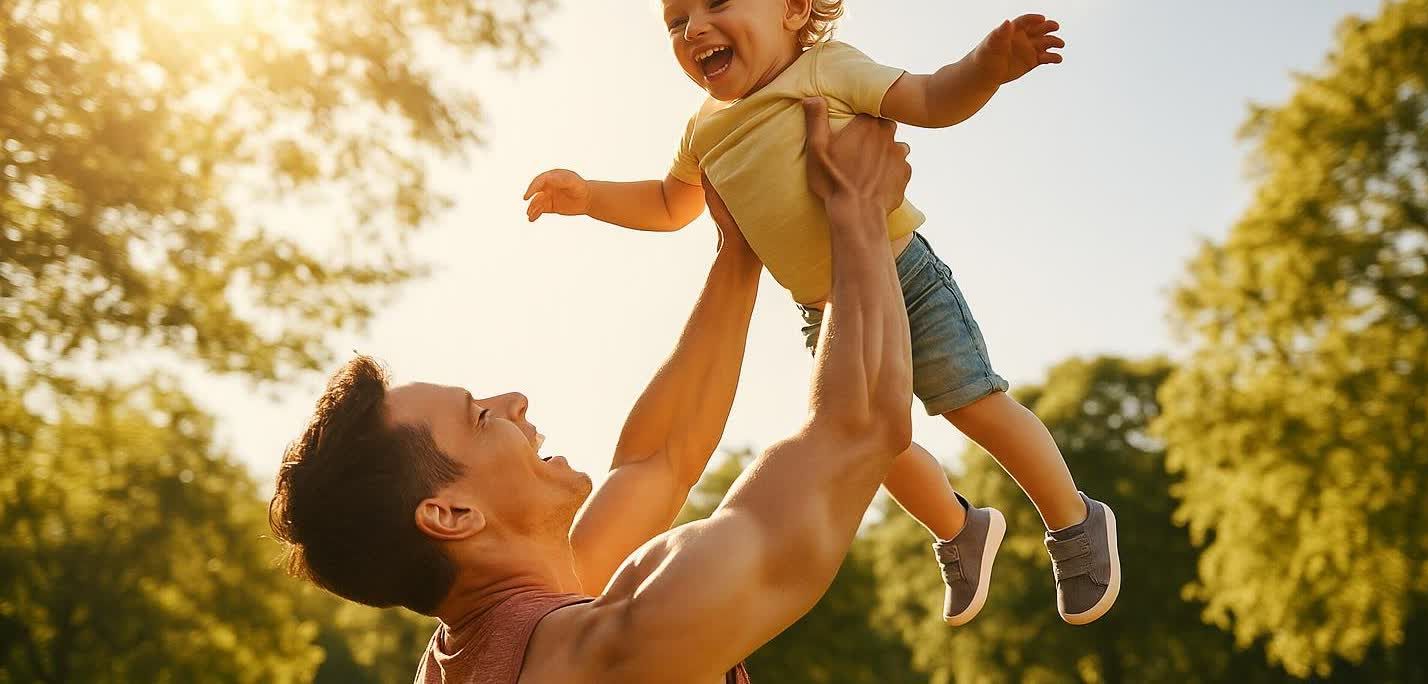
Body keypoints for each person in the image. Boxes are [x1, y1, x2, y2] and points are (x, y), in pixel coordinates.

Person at [270, 101, 919, 682]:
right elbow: (859, 430)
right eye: (478, 417)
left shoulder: (465, 654)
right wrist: (856, 210)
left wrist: (739, 253)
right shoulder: (611, 650)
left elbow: (659, 459)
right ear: (452, 515)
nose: (513, 400)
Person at [520, 1, 1117, 626]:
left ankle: (1073, 521)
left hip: (902, 274)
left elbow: (933, 99)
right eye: (676, 21)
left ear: (794, 9)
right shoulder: (703, 130)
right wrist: (590, 197)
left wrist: (987, 67)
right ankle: (961, 529)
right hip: (826, 311)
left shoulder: (825, 70)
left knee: (971, 401)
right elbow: (672, 204)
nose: (694, 28)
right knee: (866, 445)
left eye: (718, 2)